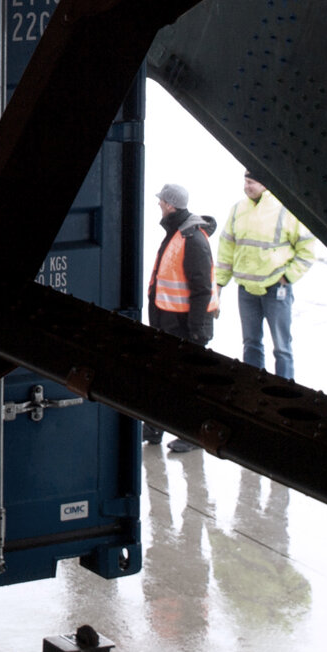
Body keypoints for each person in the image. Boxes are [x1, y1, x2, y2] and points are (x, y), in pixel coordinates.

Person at [215, 172, 319, 381]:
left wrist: (287, 277)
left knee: (282, 347)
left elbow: (308, 249)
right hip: (246, 290)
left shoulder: (284, 209)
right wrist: (219, 283)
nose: (247, 186)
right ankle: (253, 386)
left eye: (251, 182)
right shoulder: (237, 209)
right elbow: (226, 249)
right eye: (245, 181)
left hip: (275, 289)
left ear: (265, 184)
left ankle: (284, 390)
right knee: (251, 343)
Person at [144, 182, 218, 455]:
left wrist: (196, 331)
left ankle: (193, 434)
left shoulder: (192, 238)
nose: (159, 205)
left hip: (187, 325)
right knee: (162, 377)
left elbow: (202, 289)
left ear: (170, 204)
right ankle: (153, 428)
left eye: (161, 201)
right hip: (169, 322)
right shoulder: (176, 232)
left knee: (189, 382)